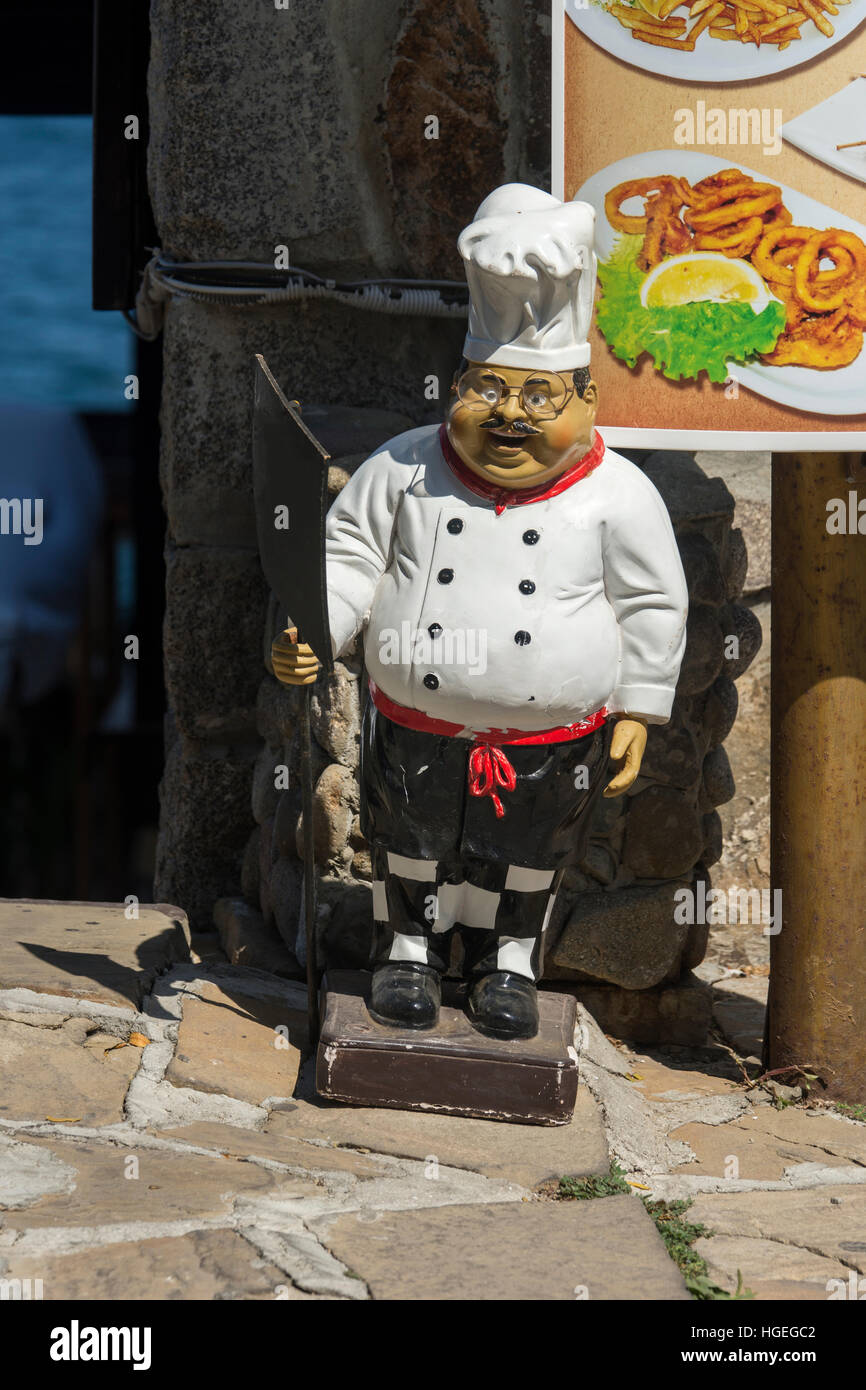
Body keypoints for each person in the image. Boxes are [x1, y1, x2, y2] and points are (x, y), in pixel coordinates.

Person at [272, 183, 688, 1041]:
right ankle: (409, 954)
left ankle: (510, 966)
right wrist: (314, 629)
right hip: (417, 722)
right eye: (488, 389)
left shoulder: (619, 495)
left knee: (532, 854)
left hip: (551, 738)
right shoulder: (404, 467)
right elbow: (348, 556)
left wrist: (642, 707)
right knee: (408, 841)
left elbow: (652, 601)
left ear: (585, 403)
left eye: (539, 399)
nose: (509, 416)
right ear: (457, 385)